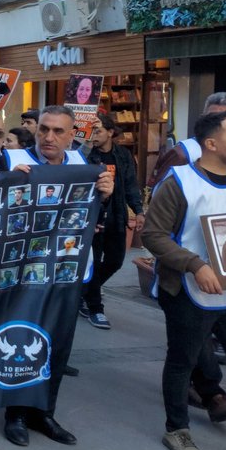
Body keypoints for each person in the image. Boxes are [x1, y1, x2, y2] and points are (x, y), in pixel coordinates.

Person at [0, 106, 115, 448]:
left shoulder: (83, 165)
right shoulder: (13, 159)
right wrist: (5, 183)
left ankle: (44, 411)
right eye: (44, 129)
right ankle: (16, 414)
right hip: (23, 273)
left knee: (58, 344)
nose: (49, 137)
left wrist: (105, 196)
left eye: (58, 131)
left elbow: (96, 218)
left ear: (71, 135)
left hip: (67, 270)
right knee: (22, 339)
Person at [143, 110, 226, 450]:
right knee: (182, 360)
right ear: (211, 143)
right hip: (187, 290)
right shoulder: (180, 182)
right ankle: (177, 429)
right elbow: (153, 235)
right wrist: (195, 265)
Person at [79, 113, 144, 328]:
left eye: (97, 131)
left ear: (110, 132)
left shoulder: (123, 155)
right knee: (94, 261)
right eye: (91, 131)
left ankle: (85, 292)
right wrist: (86, 145)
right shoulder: (87, 153)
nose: (94, 135)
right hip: (94, 217)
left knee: (115, 260)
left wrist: (139, 210)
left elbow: (131, 184)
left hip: (116, 215)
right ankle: (95, 308)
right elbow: (78, 171)